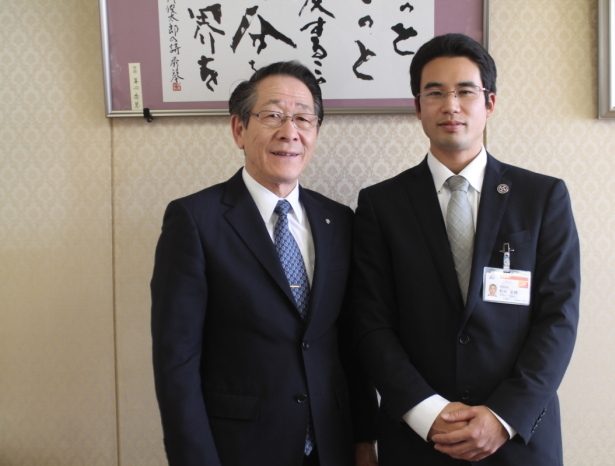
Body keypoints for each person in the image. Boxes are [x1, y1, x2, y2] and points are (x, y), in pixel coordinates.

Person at [352, 34, 580, 465]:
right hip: (418, 440)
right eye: (434, 93)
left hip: (518, 439)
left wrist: (503, 416)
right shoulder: (381, 205)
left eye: (465, 92)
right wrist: (427, 412)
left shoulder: (542, 197)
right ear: (417, 107)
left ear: (489, 103)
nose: (450, 105)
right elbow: (370, 323)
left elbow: (559, 317)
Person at [151, 61, 377, 466]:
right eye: (273, 115)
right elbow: (176, 362)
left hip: (331, 446)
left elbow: (351, 346)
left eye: (304, 119)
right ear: (239, 129)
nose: (290, 132)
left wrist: (364, 441)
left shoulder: (339, 220)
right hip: (240, 448)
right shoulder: (195, 220)